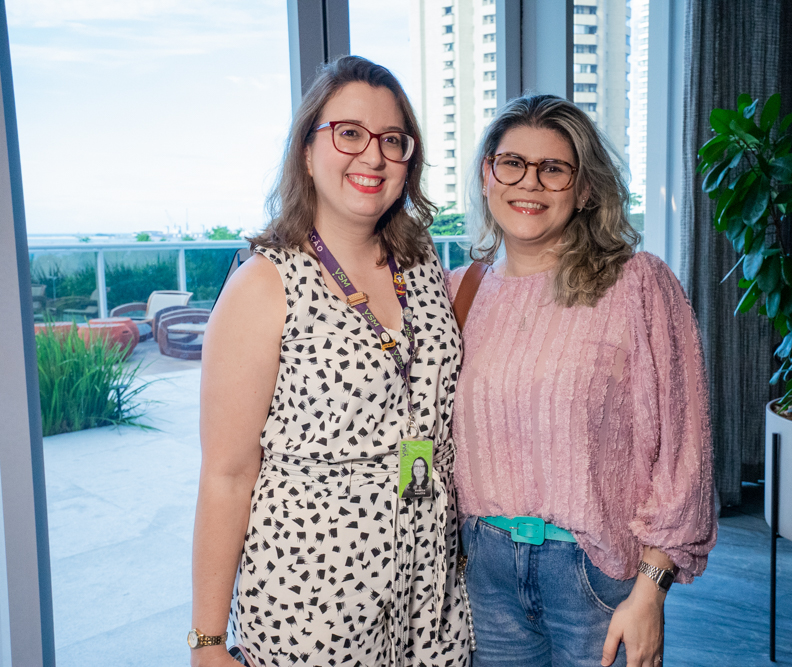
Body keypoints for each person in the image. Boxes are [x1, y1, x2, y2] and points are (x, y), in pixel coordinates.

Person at [190, 56, 470, 667]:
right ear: (308, 147)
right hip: (313, 607)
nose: (372, 157)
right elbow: (227, 475)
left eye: (392, 140)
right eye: (349, 133)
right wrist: (208, 643)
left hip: (431, 596)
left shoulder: (422, 267)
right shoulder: (265, 284)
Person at [448, 94, 717, 667]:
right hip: (482, 578)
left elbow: (683, 450)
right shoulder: (455, 292)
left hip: (594, 580)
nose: (530, 183)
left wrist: (651, 591)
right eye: (512, 163)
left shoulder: (638, 285)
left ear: (585, 188)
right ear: (487, 174)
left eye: (554, 169)